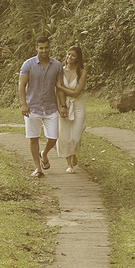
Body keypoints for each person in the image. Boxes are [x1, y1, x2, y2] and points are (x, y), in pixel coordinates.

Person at [18, 35, 63, 177]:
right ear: (36, 48)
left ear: (49, 47)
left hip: (51, 107)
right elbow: (21, 85)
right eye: (41, 48)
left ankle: (44, 153)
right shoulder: (28, 64)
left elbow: (59, 87)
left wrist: (62, 106)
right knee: (34, 138)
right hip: (32, 107)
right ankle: (38, 168)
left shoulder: (57, 65)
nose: (44, 50)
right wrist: (23, 104)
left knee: (54, 137)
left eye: (46, 47)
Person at [55, 45, 88, 173]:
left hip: (77, 104)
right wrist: (61, 106)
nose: (69, 57)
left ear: (78, 58)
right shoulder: (60, 71)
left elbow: (76, 93)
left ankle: (73, 152)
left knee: (76, 137)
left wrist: (60, 87)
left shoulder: (82, 72)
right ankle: (69, 164)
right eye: (68, 54)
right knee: (64, 135)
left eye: (73, 55)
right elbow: (58, 91)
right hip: (63, 103)